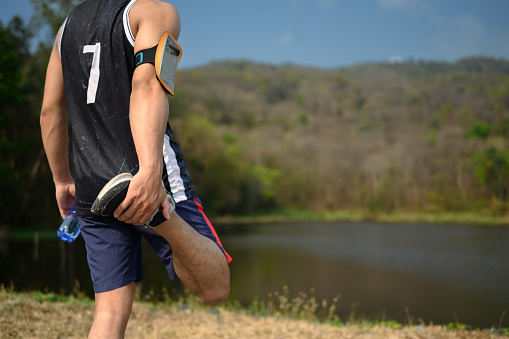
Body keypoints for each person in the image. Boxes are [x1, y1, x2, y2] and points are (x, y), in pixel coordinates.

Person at [40, 0, 231, 337]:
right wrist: (150, 173)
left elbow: (50, 112)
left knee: (109, 313)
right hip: (143, 175)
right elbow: (149, 85)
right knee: (215, 287)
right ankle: (161, 216)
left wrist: (61, 180)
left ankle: (154, 210)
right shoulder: (155, 12)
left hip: (91, 186)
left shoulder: (65, 28)